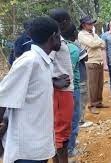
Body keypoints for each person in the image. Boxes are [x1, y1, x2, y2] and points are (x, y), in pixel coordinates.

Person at [0, 16, 61, 163]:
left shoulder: (44, 61)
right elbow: (3, 96)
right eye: (59, 35)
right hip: (26, 150)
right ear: (53, 37)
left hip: (40, 144)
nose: (61, 39)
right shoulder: (29, 61)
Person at [49, 8, 74, 163]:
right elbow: (43, 62)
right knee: (61, 131)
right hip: (61, 92)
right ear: (63, 22)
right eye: (69, 20)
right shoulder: (53, 41)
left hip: (64, 90)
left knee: (59, 130)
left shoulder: (58, 39)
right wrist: (53, 81)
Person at [78, 15, 109, 114]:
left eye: (92, 23)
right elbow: (92, 44)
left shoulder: (94, 34)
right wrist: (98, 42)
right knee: (92, 85)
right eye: (89, 23)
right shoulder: (81, 34)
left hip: (99, 61)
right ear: (83, 25)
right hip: (90, 61)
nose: (92, 25)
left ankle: (98, 102)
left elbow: (103, 44)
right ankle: (92, 105)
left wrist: (98, 42)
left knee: (100, 84)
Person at [62, 24, 82, 157]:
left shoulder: (61, 47)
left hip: (62, 88)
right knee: (74, 118)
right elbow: (71, 69)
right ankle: (70, 149)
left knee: (65, 118)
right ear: (73, 34)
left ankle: (67, 145)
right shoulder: (73, 49)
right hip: (72, 88)